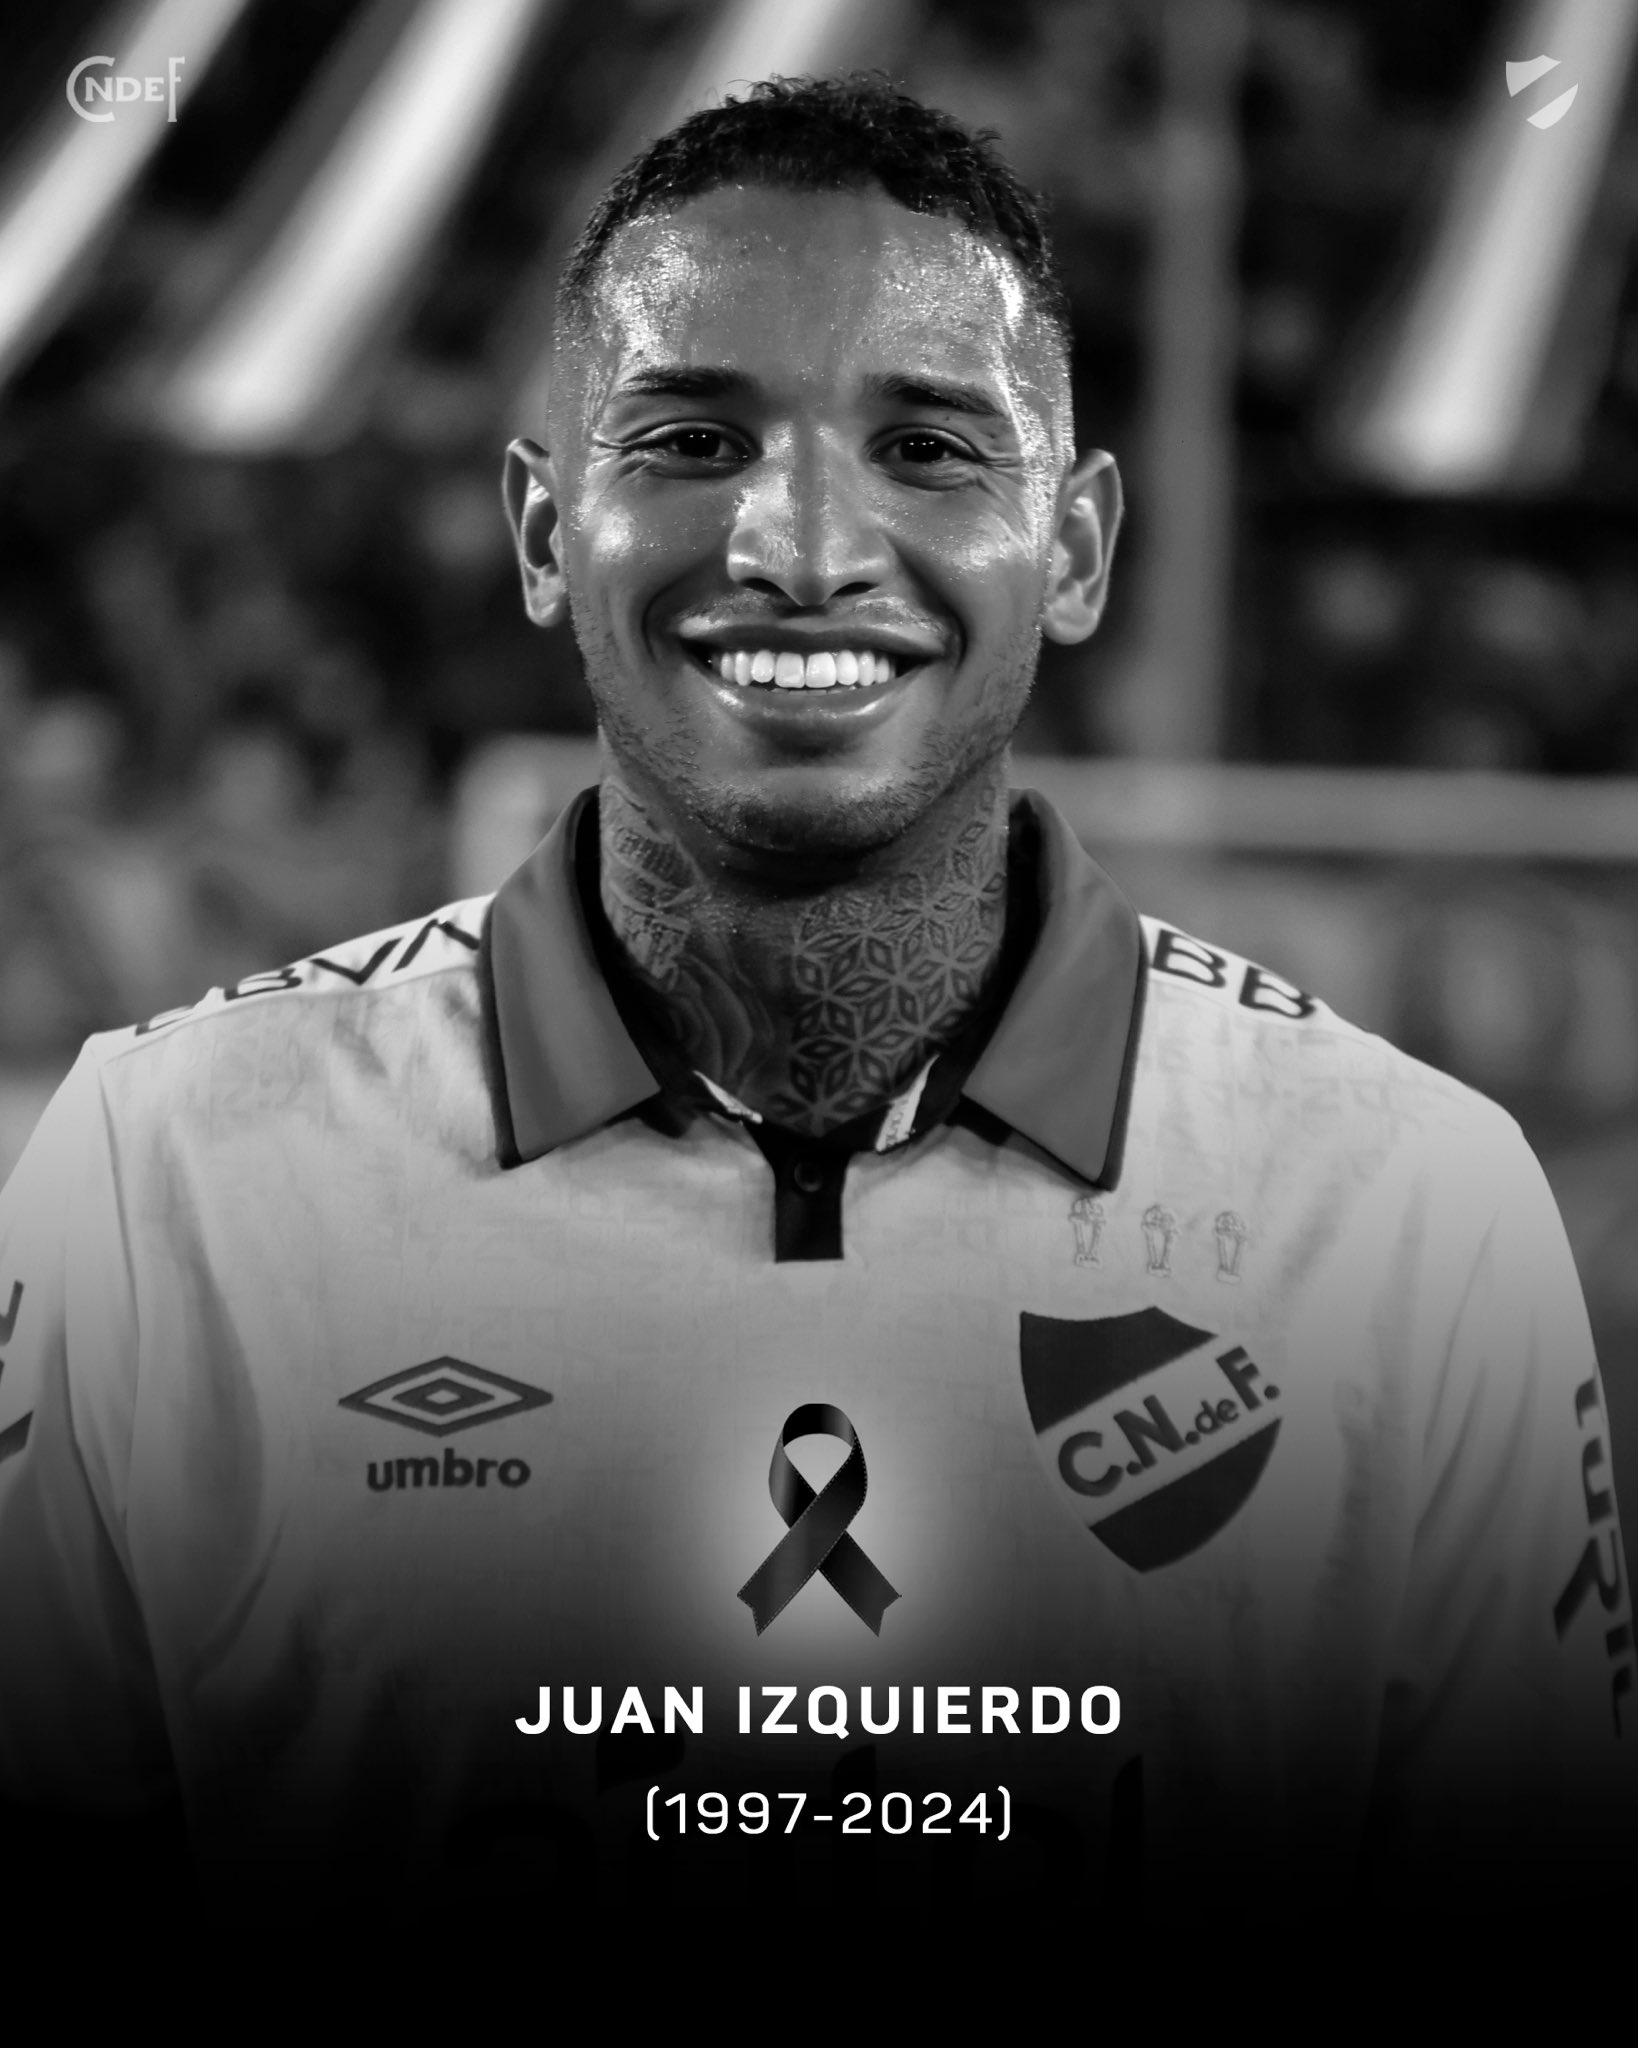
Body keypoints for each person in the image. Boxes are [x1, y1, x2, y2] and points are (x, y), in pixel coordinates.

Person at [0, 74, 1630, 1934]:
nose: (799, 545)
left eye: (927, 446)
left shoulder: (1412, 1209)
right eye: (691, 438)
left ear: (1075, 549)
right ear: (543, 531)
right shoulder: (162, 1174)